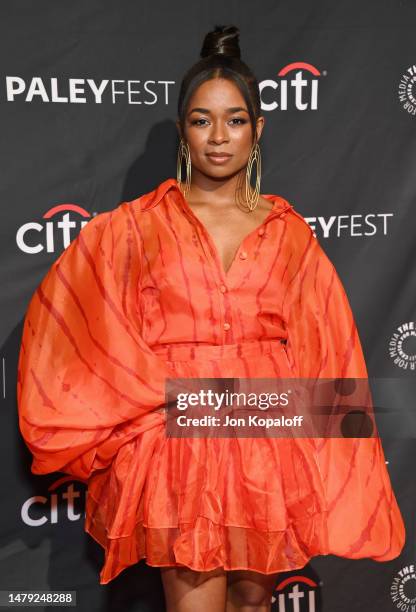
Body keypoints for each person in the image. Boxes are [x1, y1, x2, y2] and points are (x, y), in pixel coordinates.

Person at [17, 24, 405, 612]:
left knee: (252, 603)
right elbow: (71, 322)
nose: (218, 137)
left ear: (258, 129)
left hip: (268, 439)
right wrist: (147, 399)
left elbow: (330, 350)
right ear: (183, 131)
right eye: (202, 121)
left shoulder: (289, 234)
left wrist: (341, 469)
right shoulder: (135, 227)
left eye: (235, 120)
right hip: (180, 443)